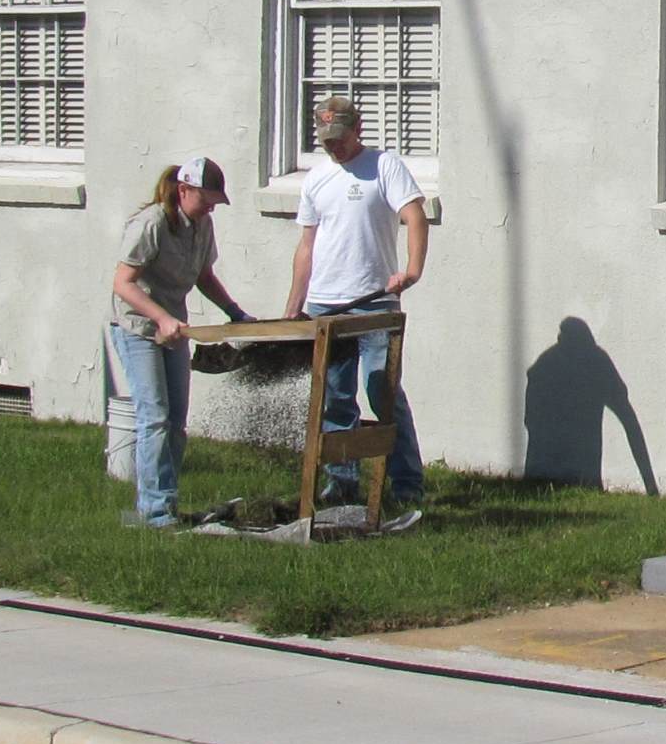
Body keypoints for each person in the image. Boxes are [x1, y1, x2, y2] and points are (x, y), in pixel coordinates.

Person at [284, 95, 428, 529]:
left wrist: (412, 271)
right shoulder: (317, 179)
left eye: (341, 139)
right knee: (335, 397)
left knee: (382, 390)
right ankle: (341, 483)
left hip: (374, 300)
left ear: (357, 128)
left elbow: (415, 217)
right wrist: (294, 309)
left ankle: (406, 486)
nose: (335, 148)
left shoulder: (384, 166)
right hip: (327, 304)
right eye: (327, 141)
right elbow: (306, 247)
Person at [106, 154, 253, 528]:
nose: (209, 209)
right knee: (154, 417)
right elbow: (123, 283)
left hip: (173, 329)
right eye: (205, 200)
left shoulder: (201, 227)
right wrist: (161, 317)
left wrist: (234, 312)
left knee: (175, 421)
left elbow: (203, 276)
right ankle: (153, 512)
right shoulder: (152, 223)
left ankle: (166, 504)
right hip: (138, 328)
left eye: (214, 203)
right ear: (184, 190)